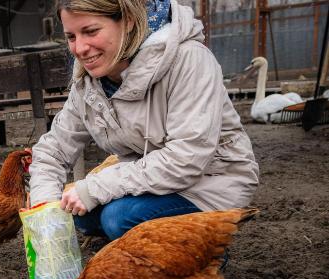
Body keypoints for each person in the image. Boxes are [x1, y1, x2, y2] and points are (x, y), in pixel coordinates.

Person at [29, 0, 259, 241]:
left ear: (127, 20)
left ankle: (205, 256)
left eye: (90, 31)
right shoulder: (89, 83)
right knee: (76, 213)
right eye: (71, 36)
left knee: (119, 219)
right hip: (152, 179)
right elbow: (53, 150)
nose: (80, 48)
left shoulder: (188, 59)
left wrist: (96, 187)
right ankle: (143, 243)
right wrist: (44, 209)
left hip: (211, 180)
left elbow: (187, 157)